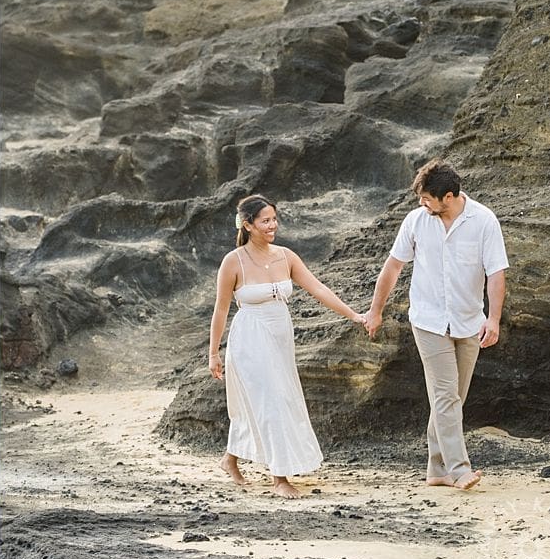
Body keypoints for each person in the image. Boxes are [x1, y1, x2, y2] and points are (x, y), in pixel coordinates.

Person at [208, 194, 366, 498]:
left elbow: (318, 288)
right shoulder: (233, 261)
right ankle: (279, 478)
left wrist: (353, 315)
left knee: (275, 399)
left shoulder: (286, 256)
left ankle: (230, 458)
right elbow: (220, 309)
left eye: (274, 219)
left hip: (280, 336)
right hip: (250, 337)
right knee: (273, 402)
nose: (272, 225)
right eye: (265, 220)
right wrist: (213, 353)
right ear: (248, 225)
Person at [363, 159, 508, 491]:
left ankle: (436, 468)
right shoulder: (416, 221)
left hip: (469, 321)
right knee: (446, 395)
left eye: (427, 198)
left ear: (449, 196)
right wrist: (376, 311)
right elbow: (393, 267)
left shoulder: (484, 221)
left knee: (454, 396)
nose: (421, 204)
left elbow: (496, 273)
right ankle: (459, 469)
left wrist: (494, 319)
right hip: (428, 321)